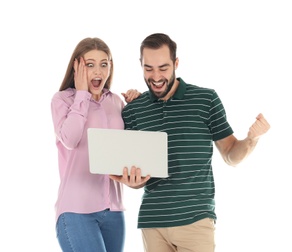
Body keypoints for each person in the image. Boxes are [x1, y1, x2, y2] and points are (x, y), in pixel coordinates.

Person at [110, 33, 271, 252]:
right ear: (141, 65)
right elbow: (138, 179)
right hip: (152, 222)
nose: (156, 76)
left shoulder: (206, 100)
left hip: (195, 221)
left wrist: (251, 140)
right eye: (148, 68)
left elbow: (230, 154)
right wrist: (132, 181)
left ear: (176, 64)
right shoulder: (134, 110)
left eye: (163, 68)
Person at [51, 37, 140, 252]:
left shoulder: (116, 102)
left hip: (115, 211)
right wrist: (82, 94)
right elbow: (70, 139)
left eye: (104, 64)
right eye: (89, 65)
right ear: (76, 67)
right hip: (76, 210)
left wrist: (139, 105)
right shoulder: (62, 100)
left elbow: (130, 150)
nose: (98, 71)